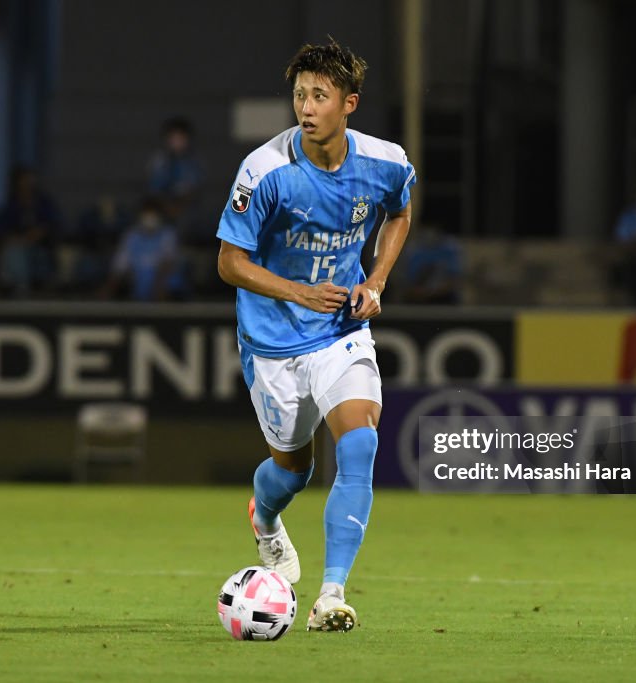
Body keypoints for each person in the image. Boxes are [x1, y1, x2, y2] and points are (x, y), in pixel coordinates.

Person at [216, 39, 415, 632]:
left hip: (340, 332)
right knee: (292, 470)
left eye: (320, 96)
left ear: (348, 103)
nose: (306, 105)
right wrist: (299, 291)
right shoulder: (264, 170)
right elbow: (229, 262)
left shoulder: (385, 161)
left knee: (359, 443)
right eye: (300, 94)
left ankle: (331, 595)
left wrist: (376, 278)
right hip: (273, 341)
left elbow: (400, 210)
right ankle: (266, 519)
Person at [100, 198, 186, 301]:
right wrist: (107, 290)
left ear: (160, 216)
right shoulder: (131, 236)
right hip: (141, 291)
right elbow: (119, 268)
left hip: (166, 288)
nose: (149, 218)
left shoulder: (168, 234)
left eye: (153, 214)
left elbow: (167, 263)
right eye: (147, 214)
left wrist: (158, 288)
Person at [0, 166, 62, 296]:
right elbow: (2, 230)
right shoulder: (12, 203)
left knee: (21, 253)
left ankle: (28, 289)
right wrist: (17, 239)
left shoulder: (43, 201)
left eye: (30, 179)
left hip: (41, 247)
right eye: (25, 179)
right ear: (17, 182)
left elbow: (49, 225)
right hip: (18, 246)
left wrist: (30, 237)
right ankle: (21, 288)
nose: (28, 182)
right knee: (14, 252)